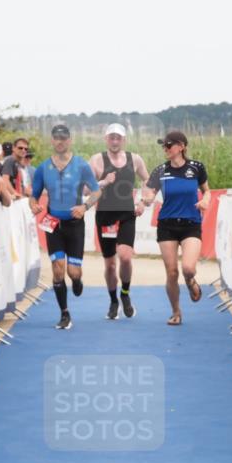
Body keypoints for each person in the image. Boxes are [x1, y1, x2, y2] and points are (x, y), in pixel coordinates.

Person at [29, 124, 101, 330]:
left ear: (69, 140)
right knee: (58, 269)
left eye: (63, 138)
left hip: (75, 225)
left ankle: (77, 281)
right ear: (52, 141)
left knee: (73, 272)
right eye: (56, 138)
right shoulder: (43, 168)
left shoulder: (81, 165)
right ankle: (64, 313)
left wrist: (85, 206)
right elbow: (34, 195)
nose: (60, 142)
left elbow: (96, 191)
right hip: (54, 225)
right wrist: (33, 205)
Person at [142, 130, 210, 325]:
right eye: (163, 145)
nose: (165, 148)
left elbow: (207, 191)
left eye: (169, 145)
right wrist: (146, 200)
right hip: (167, 225)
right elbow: (150, 193)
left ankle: (190, 281)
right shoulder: (160, 170)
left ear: (181, 146)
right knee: (172, 272)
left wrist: (205, 200)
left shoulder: (196, 167)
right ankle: (176, 312)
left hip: (191, 224)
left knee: (188, 268)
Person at [89, 123, 150, 320]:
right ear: (106, 139)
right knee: (110, 265)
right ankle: (113, 300)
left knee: (125, 257)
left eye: (118, 138)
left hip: (126, 214)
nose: (115, 141)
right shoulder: (97, 160)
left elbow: (148, 181)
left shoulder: (135, 159)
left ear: (124, 140)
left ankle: (125, 293)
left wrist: (142, 201)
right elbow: (85, 188)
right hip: (105, 216)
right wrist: (103, 182)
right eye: (111, 137)